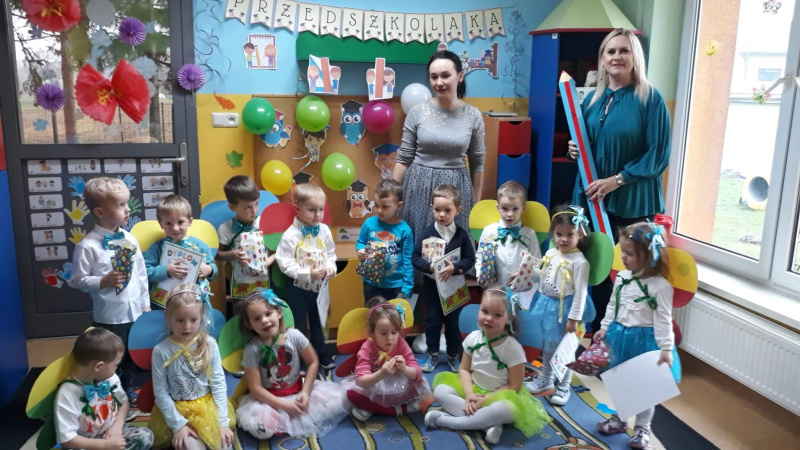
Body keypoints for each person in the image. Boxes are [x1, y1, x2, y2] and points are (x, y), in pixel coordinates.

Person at [566, 29, 671, 332]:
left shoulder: (650, 98)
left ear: (635, 57)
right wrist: (574, 149)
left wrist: (618, 180)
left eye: (624, 50)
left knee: (631, 277)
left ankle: (627, 341)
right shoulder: (592, 99)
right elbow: (590, 144)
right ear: (602, 59)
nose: (617, 57)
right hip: (593, 201)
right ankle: (599, 339)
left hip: (631, 204)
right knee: (598, 272)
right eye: (610, 51)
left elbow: (658, 156)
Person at [424, 289, 550, 444]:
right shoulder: (472, 338)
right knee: (440, 391)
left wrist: (487, 400)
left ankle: (446, 421)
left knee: (505, 411)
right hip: (474, 390)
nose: (489, 318)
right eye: (484, 311)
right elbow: (464, 369)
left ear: (508, 319)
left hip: (500, 396)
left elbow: (515, 386)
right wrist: (469, 394)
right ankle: (486, 425)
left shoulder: (513, 348)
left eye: (497, 315)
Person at [593, 221, 679, 449]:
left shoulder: (661, 286)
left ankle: (642, 427)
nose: (623, 257)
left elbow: (664, 320)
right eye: (623, 251)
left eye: (629, 253)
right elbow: (613, 305)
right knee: (620, 381)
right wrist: (604, 326)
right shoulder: (622, 277)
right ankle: (620, 418)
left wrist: (666, 348)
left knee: (644, 388)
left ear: (649, 255)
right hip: (620, 337)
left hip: (645, 342)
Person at [68, 177, 150, 394]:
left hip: (136, 313)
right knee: (109, 358)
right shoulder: (88, 246)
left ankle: (128, 392)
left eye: (127, 203)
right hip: (110, 317)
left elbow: (140, 275)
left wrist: (145, 304)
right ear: (100, 212)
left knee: (132, 356)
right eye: (120, 205)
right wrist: (101, 281)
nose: (128, 209)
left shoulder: (130, 239)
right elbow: (76, 279)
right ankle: (108, 395)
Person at [393, 50, 485, 237]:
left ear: (460, 76)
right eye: (434, 77)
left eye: (445, 75)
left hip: (456, 190)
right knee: (418, 244)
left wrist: (475, 204)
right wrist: (391, 197)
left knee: (454, 245)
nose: (439, 82)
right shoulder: (417, 111)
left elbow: (477, 163)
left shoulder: (473, 115)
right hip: (418, 187)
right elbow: (403, 158)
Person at [235, 289, 348, 439]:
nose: (264, 320)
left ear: (279, 312)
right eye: (256, 318)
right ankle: (278, 422)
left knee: (338, 400)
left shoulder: (294, 336)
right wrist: (284, 406)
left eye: (268, 313)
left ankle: (285, 422)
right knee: (261, 428)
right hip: (269, 400)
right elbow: (255, 389)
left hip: (298, 389)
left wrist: (305, 393)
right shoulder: (252, 349)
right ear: (249, 324)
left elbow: (313, 362)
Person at [524, 205, 595, 406]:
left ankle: (564, 386)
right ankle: (546, 379)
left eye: (569, 234)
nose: (563, 239)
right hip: (545, 306)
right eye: (559, 234)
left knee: (565, 351)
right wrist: (525, 273)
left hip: (565, 311)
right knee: (548, 346)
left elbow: (581, 293)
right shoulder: (552, 253)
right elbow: (542, 275)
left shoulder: (580, 262)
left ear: (580, 234)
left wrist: (574, 319)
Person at [149, 284, 235, 449]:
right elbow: (160, 392)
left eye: (193, 320)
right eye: (180, 320)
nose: (187, 326)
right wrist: (178, 426)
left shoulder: (209, 344)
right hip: (178, 412)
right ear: (168, 316)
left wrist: (223, 422)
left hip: (208, 410)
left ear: (201, 317)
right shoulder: (161, 351)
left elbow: (218, 383)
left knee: (225, 446)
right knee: (189, 446)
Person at [412, 184, 476, 373]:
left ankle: (453, 355)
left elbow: (470, 259)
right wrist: (429, 266)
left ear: (458, 210)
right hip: (432, 287)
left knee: (453, 324)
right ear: (432, 208)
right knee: (432, 321)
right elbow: (415, 257)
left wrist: (456, 268)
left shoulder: (462, 235)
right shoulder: (427, 233)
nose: (441, 214)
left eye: (447, 210)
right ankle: (432, 354)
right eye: (437, 209)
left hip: (454, 287)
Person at [54, 328, 154, 449]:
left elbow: (123, 403)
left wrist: (117, 427)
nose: (116, 368)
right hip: (85, 444)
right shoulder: (67, 393)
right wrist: (104, 445)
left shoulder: (110, 378)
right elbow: (67, 439)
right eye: (116, 365)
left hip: (110, 433)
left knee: (145, 436)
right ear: (99, 366)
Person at [276, 183, 337, 369]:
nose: (317, 215)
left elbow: (330, 253)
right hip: (297, 289)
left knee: (320, 323)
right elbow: (284, 262)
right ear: (297, 209)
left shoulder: (324, 230)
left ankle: (321, 354)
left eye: (321, 209)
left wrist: (330, 267)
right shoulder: (290, 235)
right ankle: (299, 359)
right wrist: (307, 273)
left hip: (320, 289)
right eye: (311, 210)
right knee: (298, 325)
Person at [342, 297, 431, 421]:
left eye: (394, 332)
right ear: (372, 333)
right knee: (351, 395)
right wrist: (381, 373)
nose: (390, 338)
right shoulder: (367, 347)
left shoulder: (401, 343)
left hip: (399, 386)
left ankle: (375, 408)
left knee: (420, 385)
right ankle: (401, 409)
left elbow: (417, 373)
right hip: (375, 385)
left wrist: (404, 369)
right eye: (383, 333)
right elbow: (361, 380)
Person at [144, 195, 217, 310]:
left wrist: (209, 269)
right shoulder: (157, 247)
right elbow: (145, 272)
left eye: (180, 222)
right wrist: (166, 270)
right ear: (161, 224)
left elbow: (213, 268)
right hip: (164, 305)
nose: (175, 228)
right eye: (168, 223)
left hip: (193, 304)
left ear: (190, 221)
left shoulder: (200, 246)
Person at [215, 176, 273, 300]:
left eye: (256, 203)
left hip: (264, 284)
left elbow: (276, 249)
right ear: (232, 207)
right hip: (239, 285)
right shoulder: (225, 228)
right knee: (240, 311)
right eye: (248, 207)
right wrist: (233, 254)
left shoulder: (265, 223)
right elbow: (217, 254)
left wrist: (269, 260)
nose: (254, 210)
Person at [475, 181, 542, 289]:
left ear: (523, 208)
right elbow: (480, 256)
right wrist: (480, 274)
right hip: (493, 288)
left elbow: (537, 263)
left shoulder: (530, 234)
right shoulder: (488, 231)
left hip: (521, 291)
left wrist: (526, 275)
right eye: (505, 209)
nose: (510, 214)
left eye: (515, 209)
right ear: (498, 207)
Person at [356, 179, 414, 301]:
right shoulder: (369, 223)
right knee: (372, 312)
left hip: (395, 286)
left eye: (385, 206)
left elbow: (408, 261)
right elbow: (361, 241)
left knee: (394, 313)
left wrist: (407, 288)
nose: (379, 210)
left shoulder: (405, 230)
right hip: (371, 283)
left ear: (399, 205)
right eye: (376, 205)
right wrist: (360, 250)